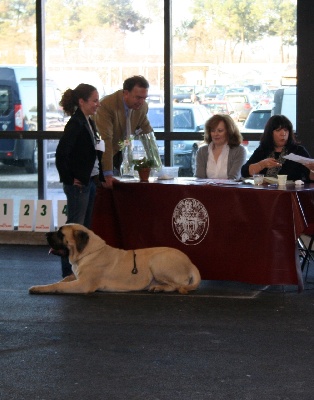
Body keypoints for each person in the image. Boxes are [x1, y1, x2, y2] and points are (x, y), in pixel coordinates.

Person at [56, 83, 105, 277]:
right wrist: (69, 178)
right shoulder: (75, 124)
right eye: (94, 100)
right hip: (79, 185)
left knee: (83, 229)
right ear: (82, 101)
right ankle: (68, 271)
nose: (97, 104)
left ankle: (79, 267)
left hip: (88, 181)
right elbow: (62, 153)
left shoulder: (88, 122)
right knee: (73, 229)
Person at [94, 75, 153, 187]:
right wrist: (107, 174)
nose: (141, 102)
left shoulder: (143, 106)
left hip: (120, 153)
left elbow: (146, 131)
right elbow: (105, 140)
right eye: (138, 97)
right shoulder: (106, 106)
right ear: (126, 93)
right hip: (99, 157)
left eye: (144, 98)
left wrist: (154, 161)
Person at [241, 114, 314, 181]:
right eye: (278, 130)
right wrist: (261, 165)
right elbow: (244, 172)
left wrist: (312, 170)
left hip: (289, 192)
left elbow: (310, 178)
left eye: (286, 130)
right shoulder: (263, 149)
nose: (283, 134)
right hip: (265, 192)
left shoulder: (298, 150)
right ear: (270, 133)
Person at [195, 114, 246, 180]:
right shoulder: (201, 151)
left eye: (220, 130)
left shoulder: (239, 151)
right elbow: (199, 178)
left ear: (228, 132)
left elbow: (233, 179)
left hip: (230, 190)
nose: (216, 134)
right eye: (213, 131)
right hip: (206, 190)